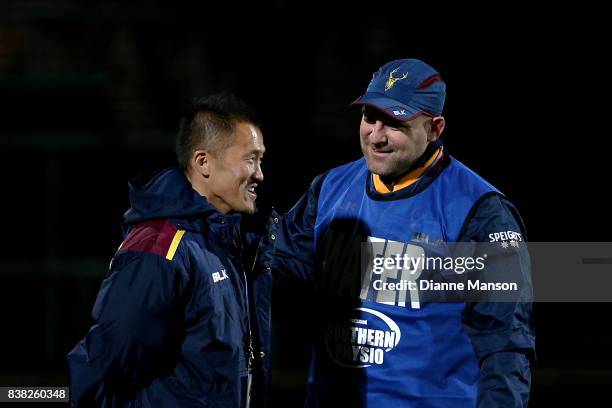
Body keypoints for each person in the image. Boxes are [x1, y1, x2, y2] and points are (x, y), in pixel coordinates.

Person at [273, 59, 535, 407]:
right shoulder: (330, 189)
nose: (376, 136)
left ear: (434, 128)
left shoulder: (480, 212)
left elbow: (505, 345)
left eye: (395, 122)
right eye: (369, 117)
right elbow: (275, 271)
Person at [67, 93, 277, 407]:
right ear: (203, 162)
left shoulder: (229, 243)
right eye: (251, 159)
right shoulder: (159, 247)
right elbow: (106, 364)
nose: (260, 174)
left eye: (260, 160)